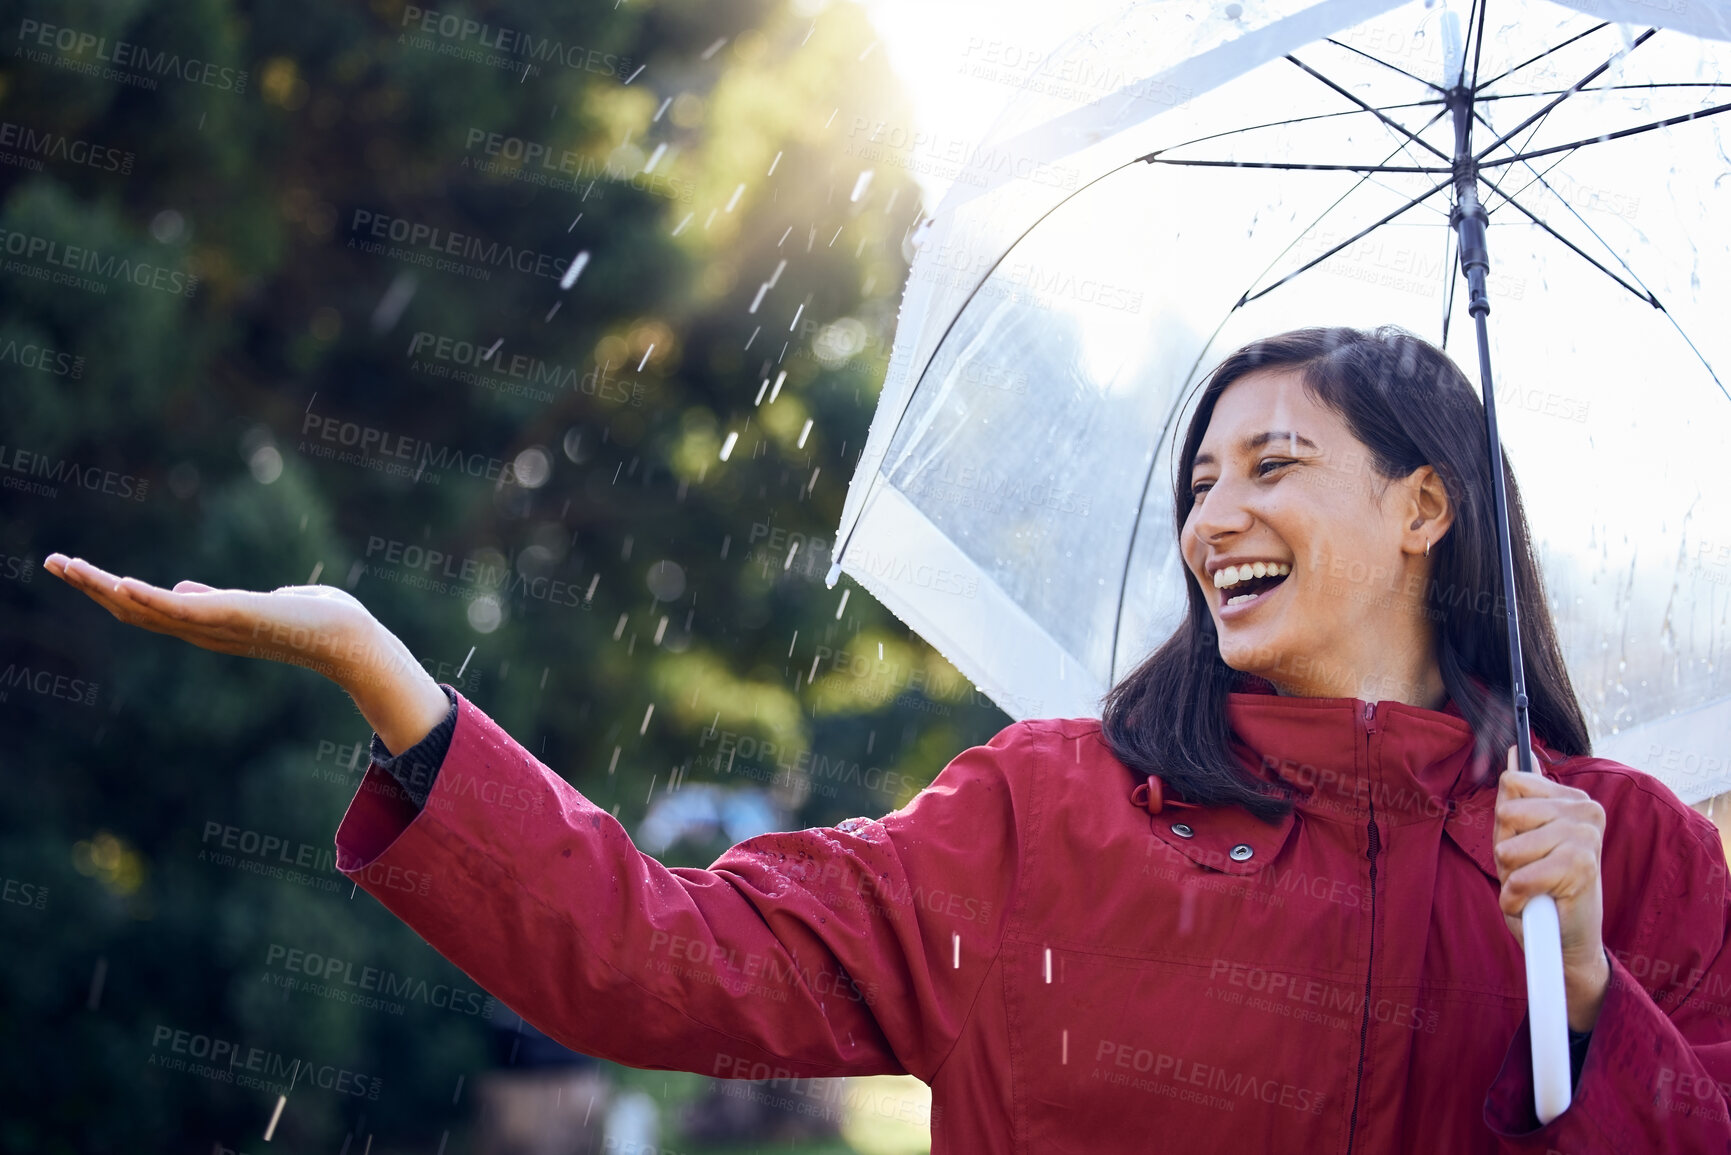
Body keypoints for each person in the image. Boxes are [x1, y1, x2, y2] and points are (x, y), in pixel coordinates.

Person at [45, 325, 1731, 1152]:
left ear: (1427, 504)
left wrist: (1590, 996)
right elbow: (667, 959)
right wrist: (399, 694)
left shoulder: (1623, 854)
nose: (1219, 513)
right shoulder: (1050, 815)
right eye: (1200, 481)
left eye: (1274, 466)